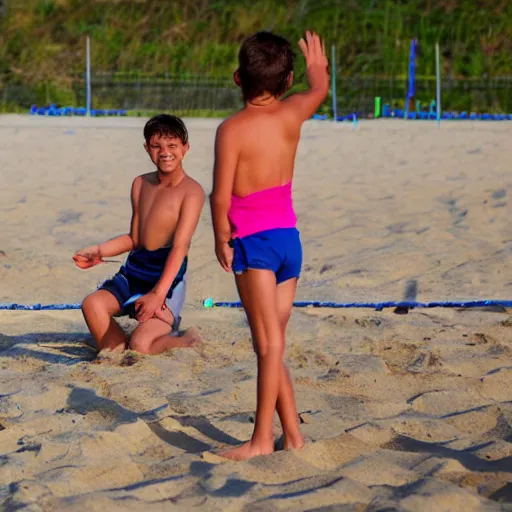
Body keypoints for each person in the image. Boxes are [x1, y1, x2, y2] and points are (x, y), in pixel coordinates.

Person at [210, 31, 329, 460]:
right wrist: (318, 71)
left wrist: (221, 238)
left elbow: (220, 196)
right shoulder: (294, 112)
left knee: (267, 345)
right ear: (287, 80)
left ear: (238, 78)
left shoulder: (232, 130)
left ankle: (261, 440)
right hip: (288, 242)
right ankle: (293, 436)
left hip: (254, 242)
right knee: (273, 339)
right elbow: (319, 89)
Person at [73, 114, 205, 355]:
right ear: (147, 148)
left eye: (172, 145)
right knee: (92, 304)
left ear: (185, 148)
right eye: (157, 146)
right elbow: (134, 239)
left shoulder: (191, 192)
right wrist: (99, 251)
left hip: (166, 280)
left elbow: (180, 248)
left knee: (141, 345)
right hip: (133, 273)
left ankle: (183, 339)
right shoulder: (140, 184)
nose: (165, 152)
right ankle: (113, 348)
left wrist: (157, 294)